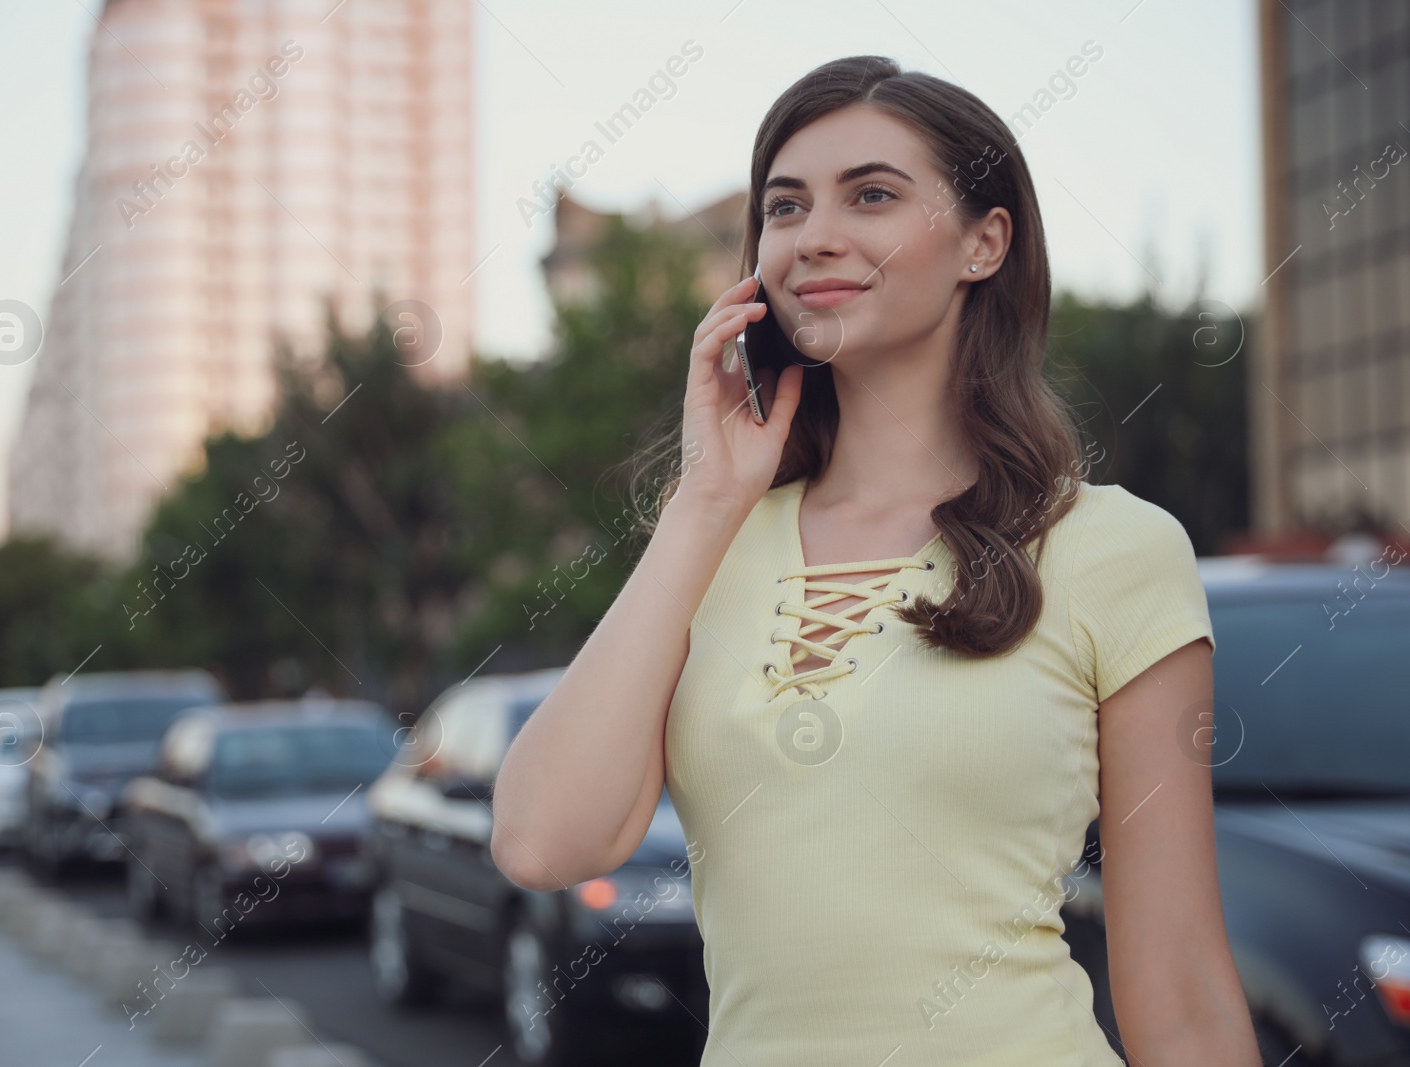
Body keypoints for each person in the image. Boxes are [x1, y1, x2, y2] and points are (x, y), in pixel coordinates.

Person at [492, 54, 1260, 1066]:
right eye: (784, 206)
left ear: (984, 243)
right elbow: (545, 842)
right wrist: (705, 503)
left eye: (872, 195)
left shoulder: (1112, 547)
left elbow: (1182, 989)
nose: (814, 236)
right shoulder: (711, 545)